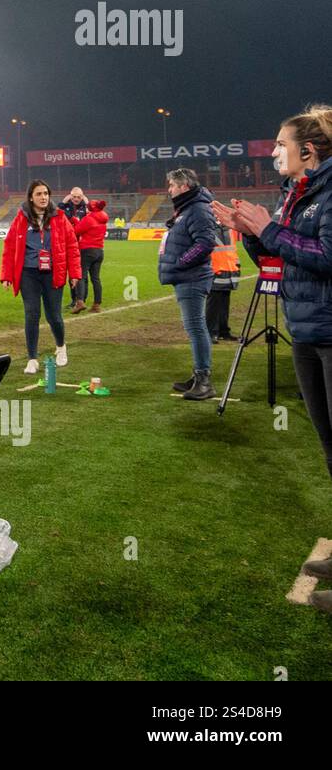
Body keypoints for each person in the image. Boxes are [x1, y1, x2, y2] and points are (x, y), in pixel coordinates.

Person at [213, 106, 332, 611]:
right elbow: (280, 258)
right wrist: (250, 230)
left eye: (280, 145)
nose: (273, 152)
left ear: (308, 151)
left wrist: (272, 230)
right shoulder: (295, 194)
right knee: (330, 451)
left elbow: (326, 257)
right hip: (306, 331)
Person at [0, 180, 81, 374]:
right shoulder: (21, 219)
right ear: (31, 197)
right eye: (39, 194)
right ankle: (32, 359)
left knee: (54, 315)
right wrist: (6, 275)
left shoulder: (60, 218)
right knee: (31, 314)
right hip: (28, 273)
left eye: (46, 193)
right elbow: (10, 247)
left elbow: (72, 246)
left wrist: (75, 273)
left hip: (53, 272)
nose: (44, 197)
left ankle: (61, 347)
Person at [157, 168, 217, 401]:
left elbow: (205, 243)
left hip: (192, 278)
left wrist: (182, 263)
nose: (169, 189)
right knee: (194, 328)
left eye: (172, 185)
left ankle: (204, 380)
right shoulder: (189, 208)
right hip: (187, 277)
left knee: (196, 328)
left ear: (184, 186)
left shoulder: (198, 209)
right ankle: (198, 375)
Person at [72, 197, 109, 313]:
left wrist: (75, 220)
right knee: (96, 278)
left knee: (81, 276)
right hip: (99, 251)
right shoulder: (102, 219)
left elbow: (76, 231)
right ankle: (97, 304)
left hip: (87, 250)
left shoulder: (89, 219)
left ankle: (80, 302)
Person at [206, 224, 240, 342]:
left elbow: (231, 250)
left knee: (224, 306)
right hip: (215, 272)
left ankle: (223, 332)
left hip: (229, 272)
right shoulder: (208, 229)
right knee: (213, 306)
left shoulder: (230, 230)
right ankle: (210, 333)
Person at [60, 187, 89, 312]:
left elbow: (92, 215)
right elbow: (57, 212)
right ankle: (74, 300)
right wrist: (64, 201)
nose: (76, 199)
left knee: (82, 275)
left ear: (82, 197)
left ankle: (82, 299)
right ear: (70, 196)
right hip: (68, 245)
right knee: (71, 274)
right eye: (73, 197)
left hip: (82, 245)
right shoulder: (66, 207)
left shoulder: (85, 208)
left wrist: (86, 203)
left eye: (78, 197)